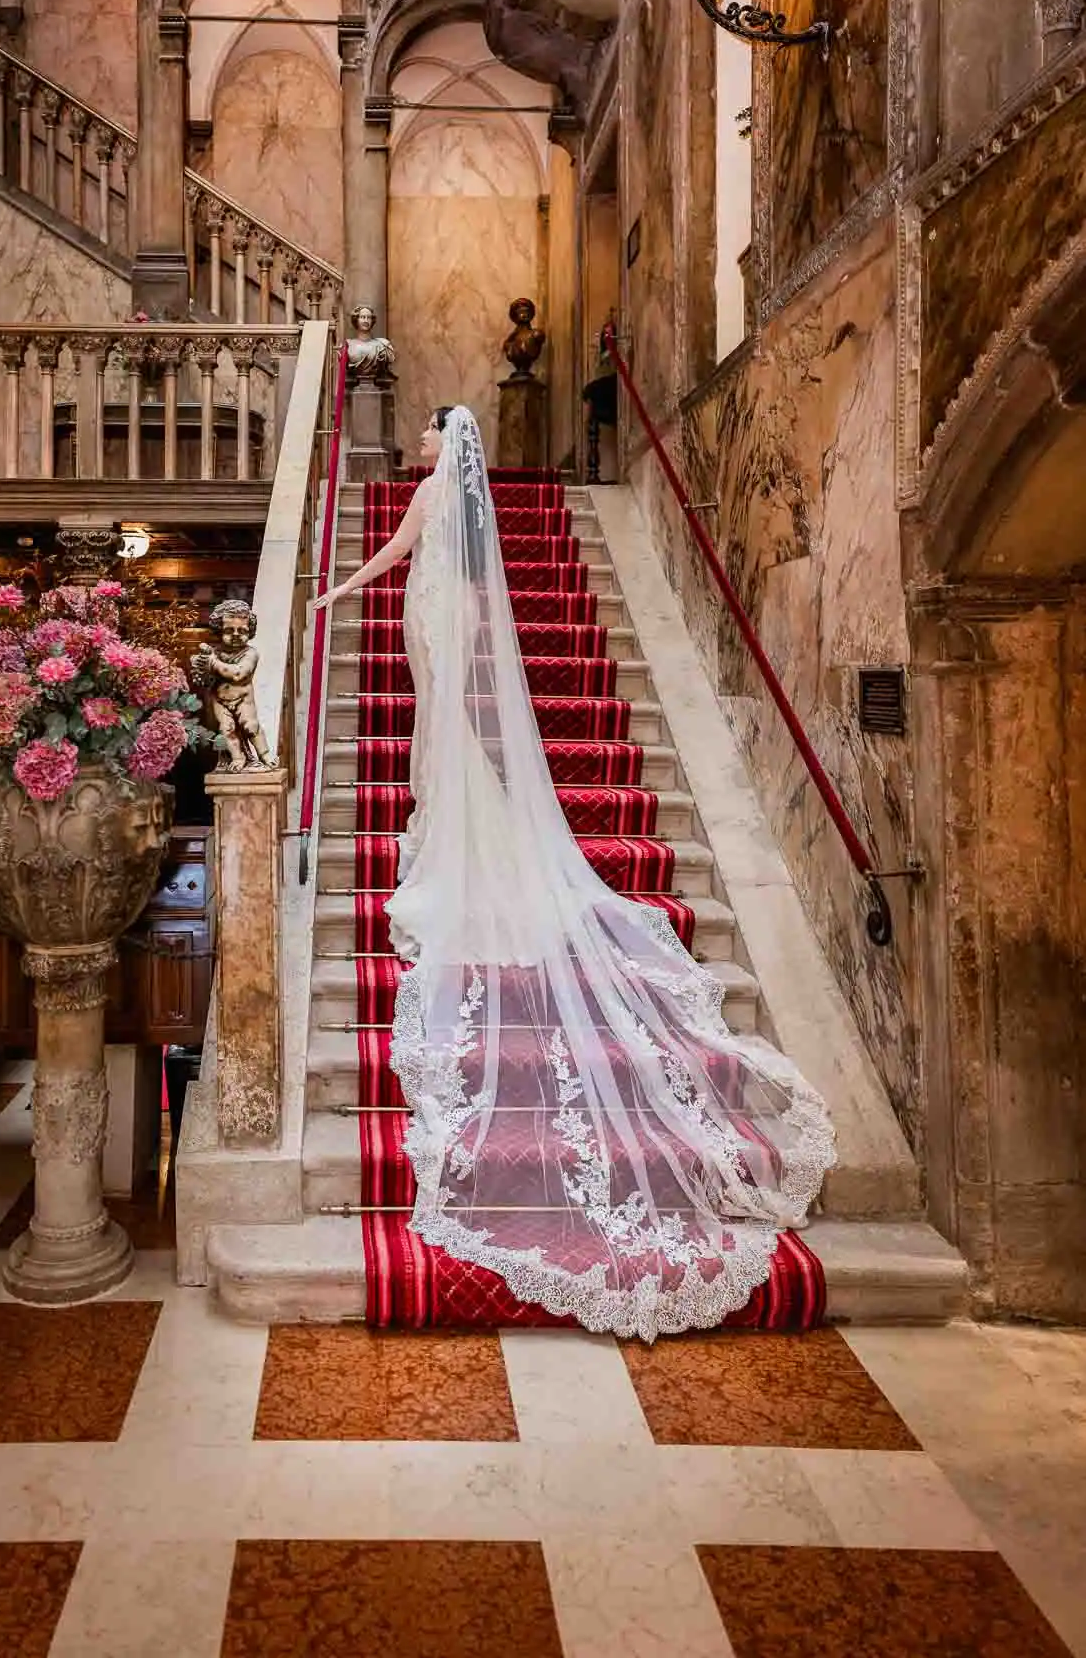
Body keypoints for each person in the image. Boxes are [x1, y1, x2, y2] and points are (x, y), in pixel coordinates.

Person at [312, 405, 836, 1341]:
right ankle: (457, 834)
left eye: (431, 437)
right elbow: (448, 573)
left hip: (433, 620)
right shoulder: (458, 504)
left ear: (445, 446)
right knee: (442, 741)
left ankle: (453, 845)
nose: (425, 448)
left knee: (441, 741)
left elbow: (396, 557)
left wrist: (331, 595)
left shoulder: (435, 492)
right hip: (447, 616)